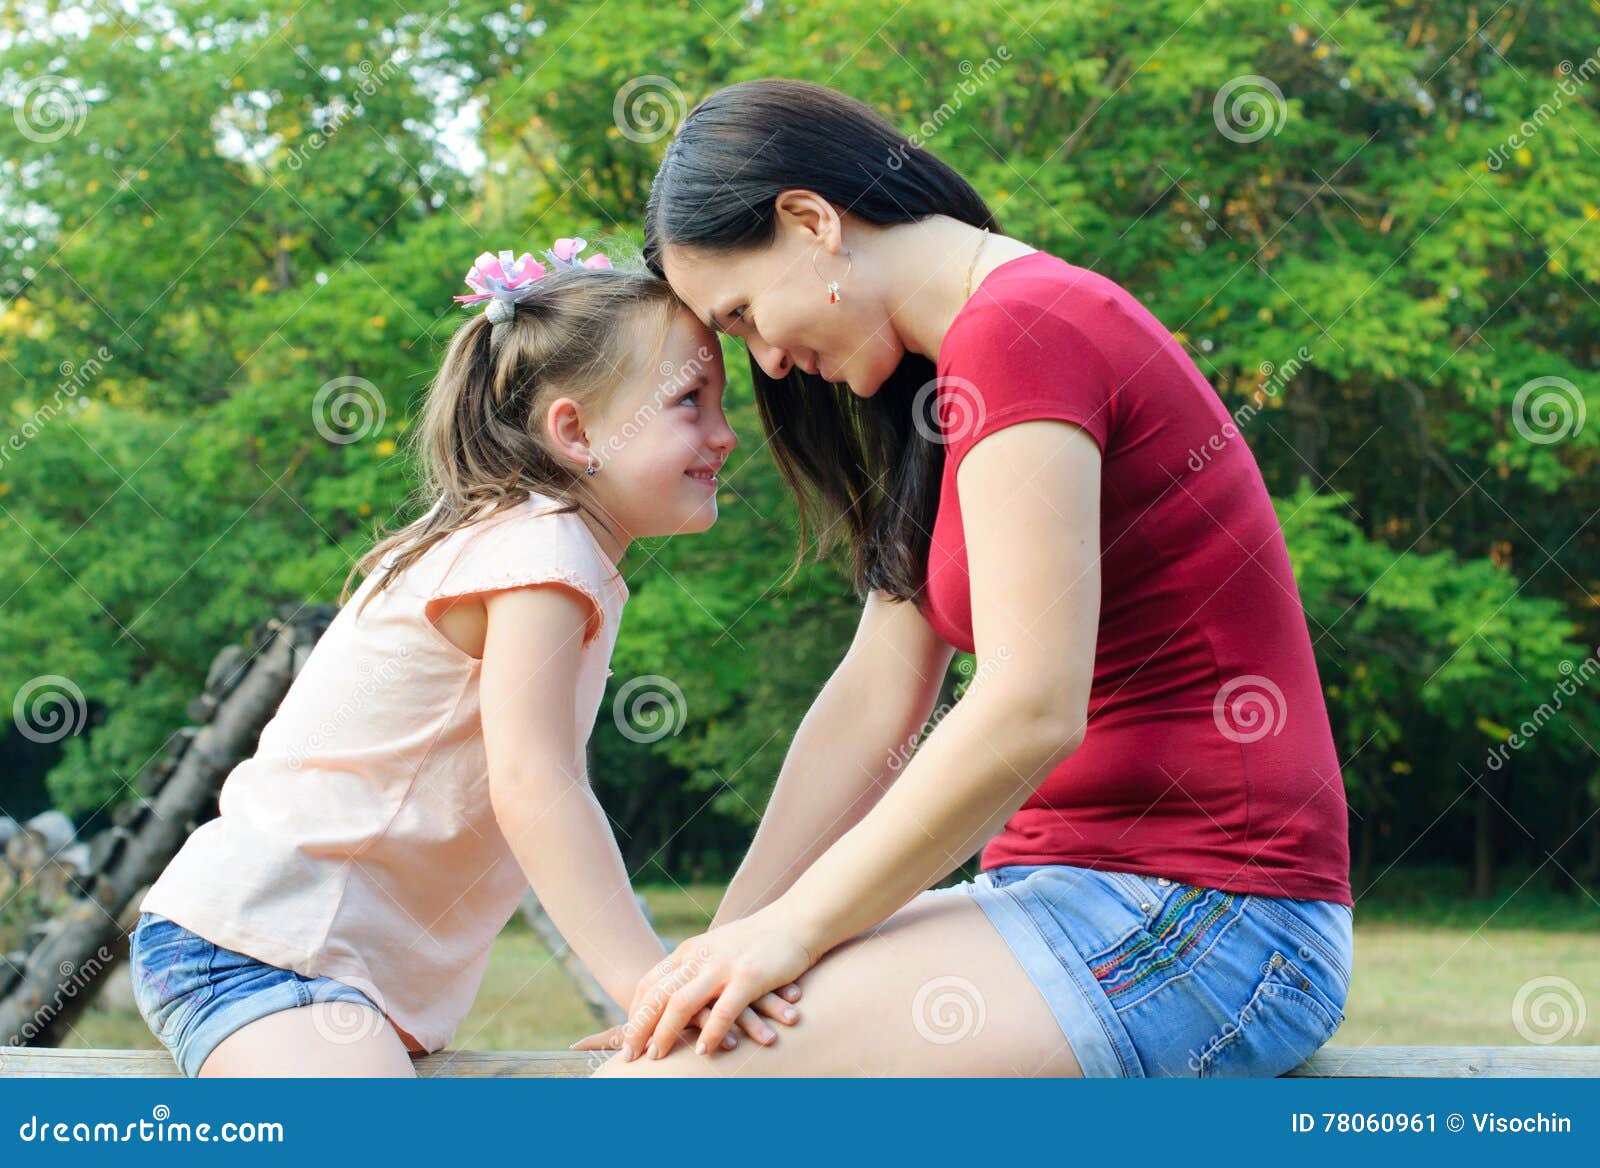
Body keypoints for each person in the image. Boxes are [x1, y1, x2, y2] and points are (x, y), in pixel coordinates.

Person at [587, 80, 1354, 1078]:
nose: (767, 362)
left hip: (1214, 913)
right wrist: (712, 962)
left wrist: (792, 931)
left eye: (743, 315)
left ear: (811, 221)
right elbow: (873, 699)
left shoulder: (1026, 328)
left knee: (660, 1103)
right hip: (1067, 884)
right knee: (671, 1063)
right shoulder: (951, 381)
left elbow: (1031, 707)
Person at [128, 239, 798, 1076]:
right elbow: (535, 786)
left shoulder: (523, 542)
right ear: (575, 429)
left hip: (307, 960)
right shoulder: (542, 549)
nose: (726, 435)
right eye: (690, 402)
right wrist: (649, 987)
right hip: (271, 948)